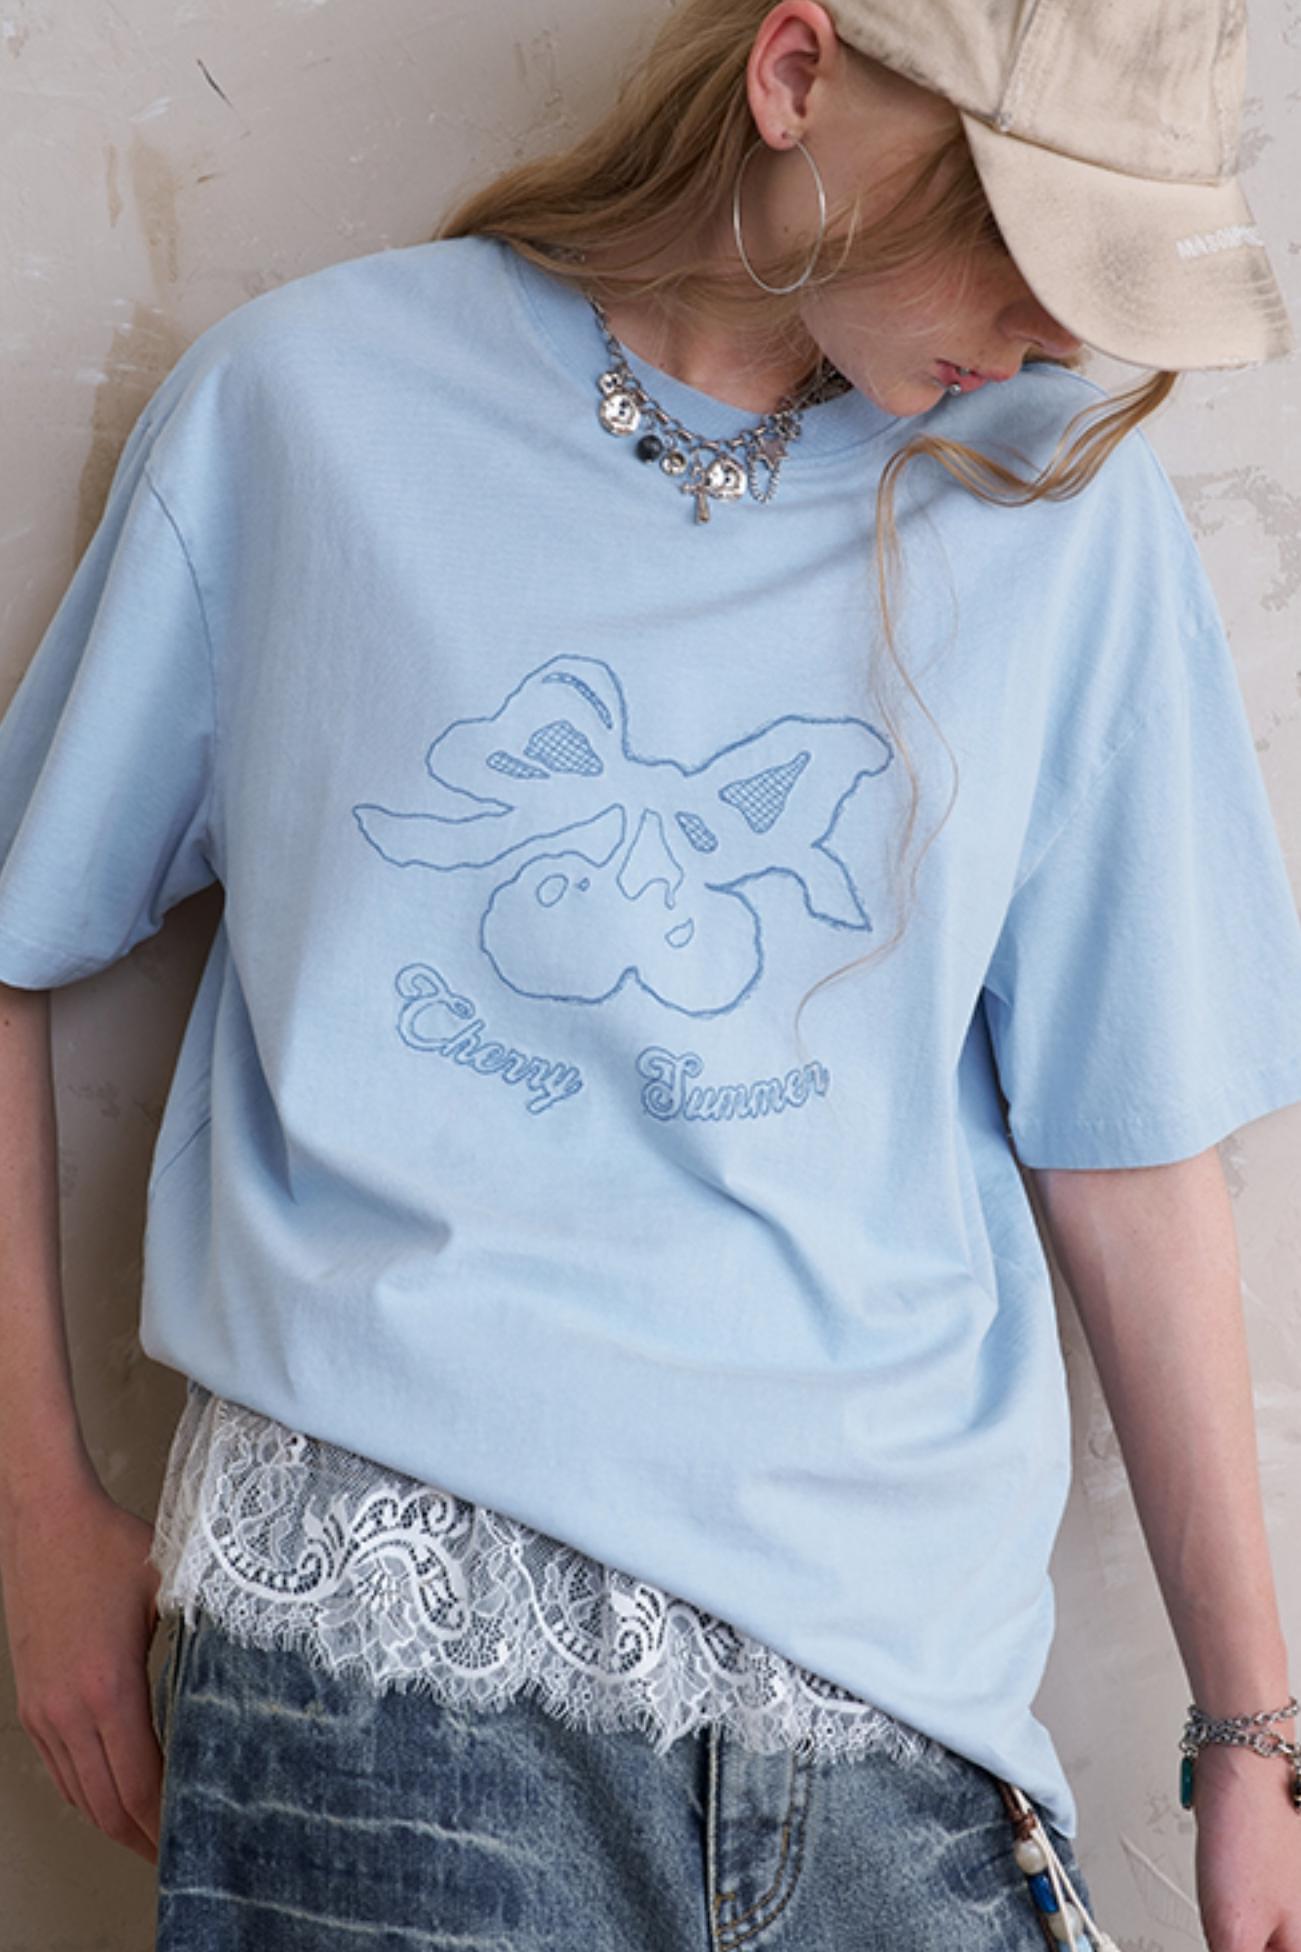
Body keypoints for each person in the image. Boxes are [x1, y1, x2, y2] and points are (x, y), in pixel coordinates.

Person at [1, 0, 1299, 1946]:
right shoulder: (306, 409)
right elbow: (15, 935)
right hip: (382, 1688)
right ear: (796, 79)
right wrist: (37, 1520)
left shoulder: (1059, 516)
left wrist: (1250, 1735)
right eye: (1021, 234)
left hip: (896, 1710)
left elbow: (1126, 1146)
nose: (1058, 330)